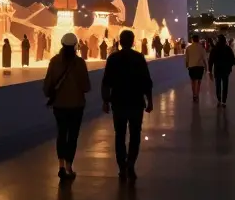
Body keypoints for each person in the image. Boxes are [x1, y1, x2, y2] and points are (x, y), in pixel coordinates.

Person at [102, 30, 153, 180]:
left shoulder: (113, 58)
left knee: (120, 135)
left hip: (118, 102)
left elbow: (106, 81)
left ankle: (121, 166)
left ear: (120, 41)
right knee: (135, 134)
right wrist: (149, 100)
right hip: (136, 102)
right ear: (132, 41)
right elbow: (146, 81)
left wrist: (105, 100)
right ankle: (131, 163)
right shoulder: (139, 58)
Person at [43, 32, 91, 180]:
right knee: (73, 135)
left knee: (61, 133)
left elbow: (47, 85)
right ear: (76, 46)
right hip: (76, 105)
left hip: (59, 105)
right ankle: (70, 166)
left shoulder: (54, 61)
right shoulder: (80, 63)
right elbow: (86, 87)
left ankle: (61, 165)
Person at [208, 35, 235, 108]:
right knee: (225, 85)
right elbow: (233, 61)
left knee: (218, 85)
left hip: (217, 70)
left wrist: (210, 71)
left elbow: (210, 61)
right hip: (226, 70)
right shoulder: (228, 49)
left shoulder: (214, 49)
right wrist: (229, 66)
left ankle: (219, 100)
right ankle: (224, 101)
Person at [184, 33, 208, 102]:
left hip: (191, 66)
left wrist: (186, 65)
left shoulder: (188, 48)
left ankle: (194, 94)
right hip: (200, 67)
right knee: (199, 81)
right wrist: (206, 67)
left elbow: (186, 58)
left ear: (192, 40)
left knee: (193, 81)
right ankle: (197, 94)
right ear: (198, 40)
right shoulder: (201, 48)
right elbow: (204, 58)